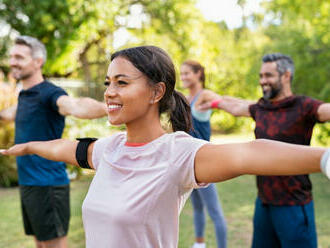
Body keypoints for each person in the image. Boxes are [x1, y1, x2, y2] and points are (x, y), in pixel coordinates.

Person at [1, 46, 329, 248]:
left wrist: (325, 157)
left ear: (156, 92)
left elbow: (249, 153)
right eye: (108, 83)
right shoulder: (107, 149)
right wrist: (30, 145)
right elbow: (68, 148)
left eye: (122, 82)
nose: (109, 92)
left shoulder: (177, 154)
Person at [195, 53, 330, 248]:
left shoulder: (303, 106)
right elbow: (236, 105)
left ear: (286, 76)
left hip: (293, 205)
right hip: (264, 204)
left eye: (268, 75)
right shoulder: (261, 107)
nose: (263, 81)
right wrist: (213, 101)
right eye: (261, 76)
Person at [0, 35, 107, 248]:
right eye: (12, 56)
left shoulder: (50, 93)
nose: (12, 61)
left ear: (37, 61)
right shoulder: (25, 95)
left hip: (48, 185)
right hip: (30, 183)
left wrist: (108, 108)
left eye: (19, 57)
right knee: (40, 243)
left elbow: (75, 106)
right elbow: (7, 115)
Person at [180, 60, 227, 248]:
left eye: (187, 73)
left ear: (199, 73)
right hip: (188, 162)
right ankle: (199, 244)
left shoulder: (204, 95)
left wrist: (216, 104)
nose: (183, 77)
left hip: (206, 162)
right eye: (181, 74)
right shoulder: (185, 98)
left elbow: (224, 102)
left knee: (214, 211)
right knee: (198, 207)